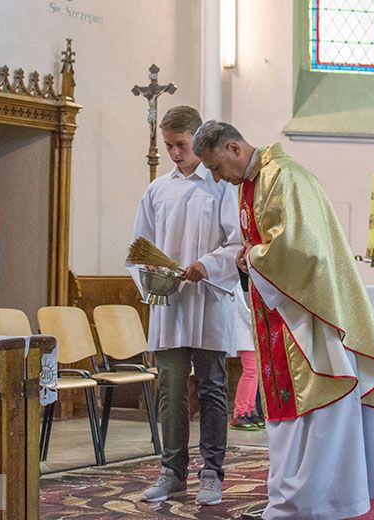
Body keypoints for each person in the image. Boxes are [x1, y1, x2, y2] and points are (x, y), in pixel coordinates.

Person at [192, 120, 374, 519]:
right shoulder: (253, 182)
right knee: (294, 412)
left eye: (216, 167)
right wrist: (248, 257)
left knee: (320, 405)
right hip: (284, 314)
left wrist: (250, 257)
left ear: (234, 149)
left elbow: (299, 250)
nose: (217, 178)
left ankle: (315, 501)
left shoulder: (284, 177)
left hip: (309, 321)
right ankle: (297, 498)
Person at [127, 106, 241, 506]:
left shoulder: (222, 187)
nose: (174, 153)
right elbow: (138, 248)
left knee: (211, 387)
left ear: (197, 138)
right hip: (170, 303)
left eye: (180, 144)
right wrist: (153, 272)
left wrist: (206, 265)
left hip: (209, 298)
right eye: (168, 146)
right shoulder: (158, 190)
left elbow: (237, 243)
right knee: (170, 389)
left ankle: (212, 472)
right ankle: (171, 472)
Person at [229, 289, 262, 430]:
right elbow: (243, 308)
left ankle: (249, 411)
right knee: (251, 372)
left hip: (249, 333)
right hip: (245, 331)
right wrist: (260, 319)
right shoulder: (236, 282)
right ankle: (240, 413)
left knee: (254, 373)